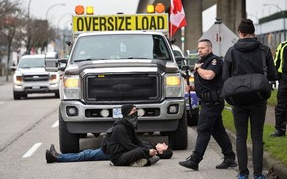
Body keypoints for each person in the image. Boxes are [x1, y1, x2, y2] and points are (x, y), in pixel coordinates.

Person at [222, 19, 277, 179]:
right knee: (257, 136)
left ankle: (243, 173)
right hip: (258, 99)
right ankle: (258, 174)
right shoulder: (264, 50)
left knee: (240, 136)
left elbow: (225, 77)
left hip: (238, 99)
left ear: (240, 32)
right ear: (253, 32)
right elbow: (273, 75)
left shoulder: (231, 51)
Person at [178, 39, 237, 171]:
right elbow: (205, 84)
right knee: (218, 130)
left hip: (212, 102)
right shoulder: (202, 62)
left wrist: (198, 69)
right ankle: (230, 158)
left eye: (203, 48)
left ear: (210, 49)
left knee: (203, 129)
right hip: (207, 101)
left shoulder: (215, 61)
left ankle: (195, 160)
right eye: (198, 48)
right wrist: (193, 87)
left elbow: (209, 76)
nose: (199, 50)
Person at [45, 142, 172, 163]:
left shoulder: (149, 150)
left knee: (85, 155)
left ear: (161, 151)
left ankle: (56, 158)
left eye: (165, 146)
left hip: (114, 153)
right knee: (87, 152)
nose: (164, 143)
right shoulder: (149, 146)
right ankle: (59, 155)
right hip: (114, 149)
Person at [271, 40, 287, 137]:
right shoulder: (283, 45)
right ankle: (280, 130)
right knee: (281, 105)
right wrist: (273, 78)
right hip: (284, 78)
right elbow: (276, 61)